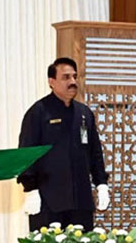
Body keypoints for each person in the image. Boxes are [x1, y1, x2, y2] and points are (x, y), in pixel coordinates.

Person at [18, 57, 109, 231]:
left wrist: (101, 184)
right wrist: (30, 189)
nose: (73, 82)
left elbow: (95, 153)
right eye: (66, 77)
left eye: (75, 77)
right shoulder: (38, 112)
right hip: (48, 202)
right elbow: (26, 154)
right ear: (51, 81)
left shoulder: (84, 113)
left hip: (81, 202)